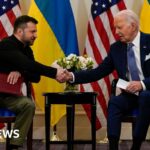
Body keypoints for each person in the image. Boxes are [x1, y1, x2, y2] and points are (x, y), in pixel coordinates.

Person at [64, 10, 150, 150]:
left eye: (119, 27)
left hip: (148, 92)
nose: (116, 32)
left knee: (146, 96)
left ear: (133, 26)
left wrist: (142, 84)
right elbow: (99, 72)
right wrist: (72, 76)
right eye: (115, 28)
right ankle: (113, 145)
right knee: (115, 102)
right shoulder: (116, 48)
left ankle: (136, 145)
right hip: (130, 94)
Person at [0, 15, 66, 150]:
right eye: (32, 31)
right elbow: (27, 64)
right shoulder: (7, 44)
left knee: (28, 105)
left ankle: (14, 145)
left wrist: (20, 72)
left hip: (10, 96)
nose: (36, 35)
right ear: (20, 31)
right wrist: (54, 73)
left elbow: (36, 76)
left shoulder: (27, 50)